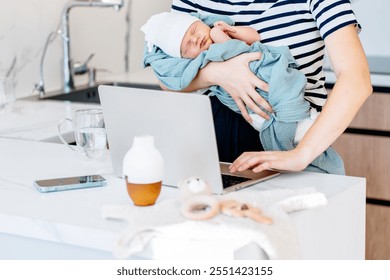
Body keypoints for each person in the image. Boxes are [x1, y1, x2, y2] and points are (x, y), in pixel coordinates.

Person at [165, 0, 372, 174]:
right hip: (211, 153)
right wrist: (220, 73)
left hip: (292, 145)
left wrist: (300, 155)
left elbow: (357, 79)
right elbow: (168, 79)